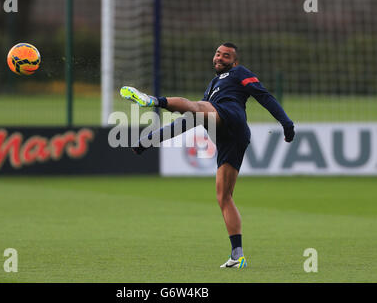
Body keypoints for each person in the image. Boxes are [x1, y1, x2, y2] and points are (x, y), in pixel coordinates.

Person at [119, 42, 295, 269]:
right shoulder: (212, 85)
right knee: (224, 196)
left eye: (226, 56)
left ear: (235, 61)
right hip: (229, 138)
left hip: (232, 118)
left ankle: (153, 101)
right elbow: (187, 122)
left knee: (195, 108)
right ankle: (237, 256)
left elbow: (264, 96)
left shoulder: (239, 73)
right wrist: (149, 140)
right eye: (218, 54)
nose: (220, 58)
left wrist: (286, 123)